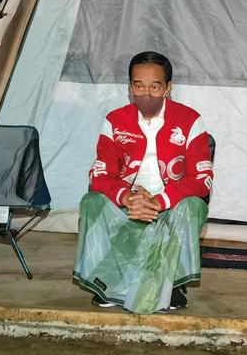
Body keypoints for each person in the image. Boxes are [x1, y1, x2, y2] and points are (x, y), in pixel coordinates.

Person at [73, 51, 213, 314]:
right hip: (131, 201)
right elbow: (100, 173)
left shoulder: (190, 120)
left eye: (154, 86)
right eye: (138, 86)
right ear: (130, 87)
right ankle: (109, 281)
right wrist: (127, 198)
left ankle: (172, 284)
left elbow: (202, 179)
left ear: (168, 88)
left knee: (194, 206)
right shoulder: (115, 120)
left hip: (170, 203)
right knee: (91, 201)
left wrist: (158, 201)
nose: (145, 93)